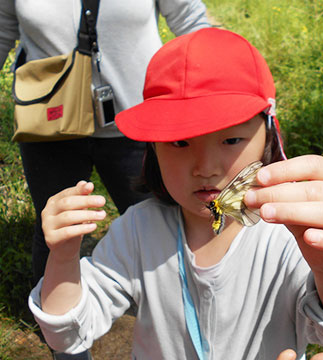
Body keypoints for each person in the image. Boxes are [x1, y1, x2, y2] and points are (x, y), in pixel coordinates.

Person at [29, 28, 323, 359]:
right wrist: (63, 257)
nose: (205, 166)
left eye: (231, 139)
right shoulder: (136, 231)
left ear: (268, 137)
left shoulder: (289, 234)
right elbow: (68, 333)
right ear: (152, 150)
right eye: (179, 142)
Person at [0, 0, 210, 288]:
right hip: (48, 125)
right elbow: (2, 31)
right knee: (57, 227)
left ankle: (176, 317)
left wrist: (222, 91)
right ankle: (53, 321)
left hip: (138, 123)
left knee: (161, 224)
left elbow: (191, 22)